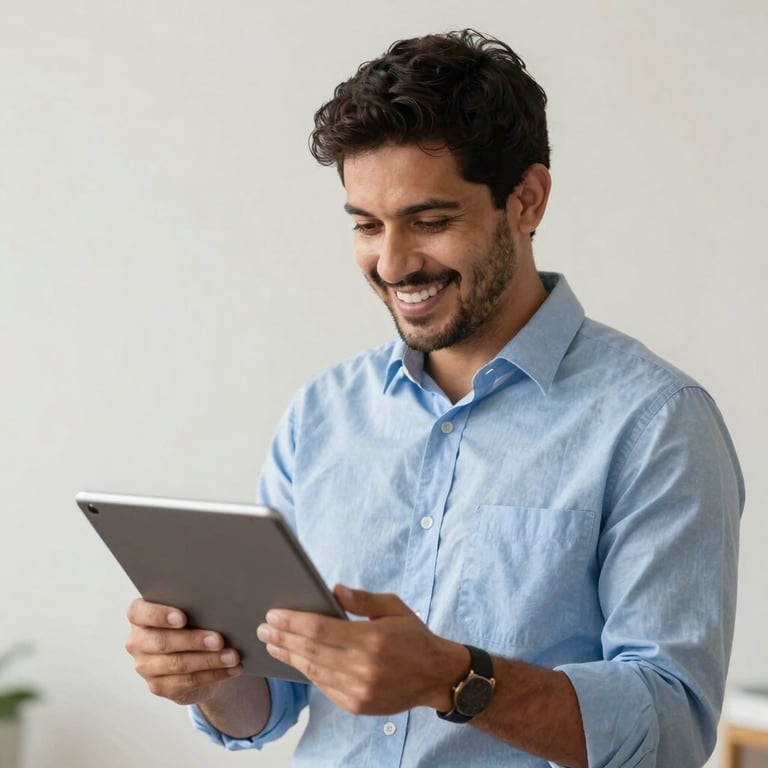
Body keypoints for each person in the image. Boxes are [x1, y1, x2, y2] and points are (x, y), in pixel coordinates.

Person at [125, 30, 744, 767]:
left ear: (527, 200)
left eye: (430, 221)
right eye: (366, 225)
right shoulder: (323, 415)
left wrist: (456, 679)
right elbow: (277, 700)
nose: (392, 263)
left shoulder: (655, 422)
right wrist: (204, 675)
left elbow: (671, 725)